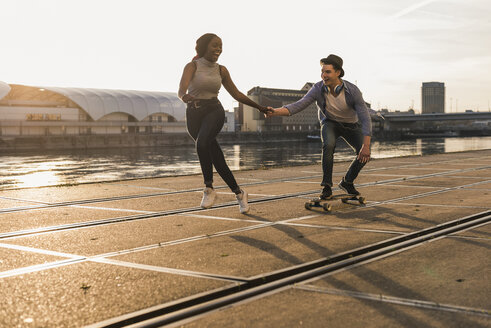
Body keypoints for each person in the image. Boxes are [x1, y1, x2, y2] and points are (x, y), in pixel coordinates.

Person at [178, 33, 270, 213]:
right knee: (217, 159)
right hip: (194, 114)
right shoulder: (192, 66)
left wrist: (259, 107)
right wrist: (184, 97)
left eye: (220, 46)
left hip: (214, 110)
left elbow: (237, 95)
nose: (218, 49)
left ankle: (208, 188)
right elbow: (181, 90)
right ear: (204, 46)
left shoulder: (222, 70)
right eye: (214, 45)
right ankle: (240, 193)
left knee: (202, 143)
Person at [266, 54, 373, 199]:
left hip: (351, 125)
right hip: (330, 123)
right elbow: (299, 105)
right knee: (328, 145)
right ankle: (327, 187)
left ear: (338, 72)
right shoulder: (317, 88)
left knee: (365, 154)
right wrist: (276, 112)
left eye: (327, 72)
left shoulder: (353, 91)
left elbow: (366, 119)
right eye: (322, 72)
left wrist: (365, 146)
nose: (324, 75)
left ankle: (347, 182)